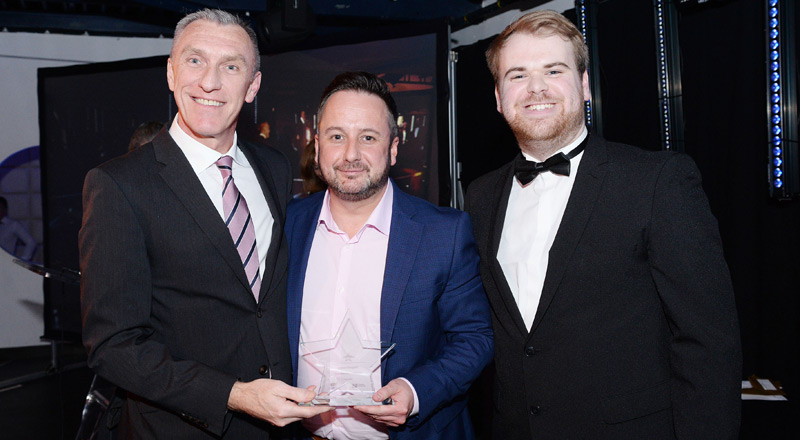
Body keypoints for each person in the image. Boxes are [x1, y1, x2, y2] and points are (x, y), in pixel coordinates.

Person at [464, 10, 741, 440]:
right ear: (498, 97)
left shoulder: (657, 181)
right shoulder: (479, 197)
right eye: (517, 75)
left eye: (553, 70)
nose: (536, 88)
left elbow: (707, 342)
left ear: (584, 85)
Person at [79, 9, 330, 438]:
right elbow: (113, 347)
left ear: (252, 86)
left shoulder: (272, 166)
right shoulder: (119, 185)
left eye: (230, 66)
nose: (209, 81)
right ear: (172, 73)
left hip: (283, 424)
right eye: (195, 61)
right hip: (182, 427)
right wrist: (234, 394)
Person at [285, 71, 493, 439]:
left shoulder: (444, 232)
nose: (351, 154)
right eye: (337, 137)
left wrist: (415, 393)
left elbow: (474, 337)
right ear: (317, 147)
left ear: (393, 148)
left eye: (368, 137)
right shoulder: (287, 225)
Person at [0, 196, 37, 260]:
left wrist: (24, 260)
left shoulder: (13, 225)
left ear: (5, 209)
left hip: (6, 263)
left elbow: (31, 242)